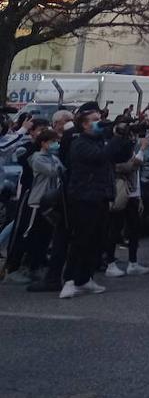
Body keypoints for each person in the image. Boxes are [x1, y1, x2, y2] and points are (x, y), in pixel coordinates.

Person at [60, 109, 112, 299]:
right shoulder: (80, 143)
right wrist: (114, 139)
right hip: (83, 197)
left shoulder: (99, 141)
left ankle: (85, 277)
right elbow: (101, 156)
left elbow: (117, 156)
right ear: (84, 124)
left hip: (100, 195)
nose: (100, 122)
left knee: (96, 239)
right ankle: (70, 280)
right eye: (95, 120)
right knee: (81, 239)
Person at [27, 110, 76, 293]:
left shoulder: (54, 157)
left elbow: (62, 169)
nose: (55, 145)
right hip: (38, 200)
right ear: (44, 143)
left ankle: (39, 263)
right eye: (52, 142)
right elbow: (56, 171)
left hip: (52, 201)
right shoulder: (38, 158)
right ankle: (29, 265)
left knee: (47, 235)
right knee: (32, 233)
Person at [2, 118, 48, 284]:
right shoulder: (26, 147)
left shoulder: (48, 149)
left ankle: (32, 264)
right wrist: (23, 131)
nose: (44, 133)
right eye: (41, 130)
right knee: (20, 228)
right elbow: (13, 153)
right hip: (28, 193)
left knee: (38, 231)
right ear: (32, 131)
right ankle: (12, 267)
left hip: (43, 194)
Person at [103, 122, 149, 278]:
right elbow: (132, 166)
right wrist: (142, 149)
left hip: (132, 194)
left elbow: (135, 171)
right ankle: (111, 263)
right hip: (121, 194)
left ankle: (132, 262)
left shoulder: (126, 147)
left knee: (133, 230)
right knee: (115, 229)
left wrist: (139, 196)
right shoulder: (115, 151)